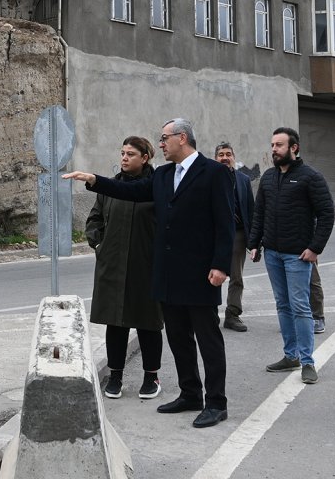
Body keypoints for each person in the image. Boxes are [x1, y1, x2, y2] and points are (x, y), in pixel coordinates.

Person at [64, 118, 234, 429]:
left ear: (182, 138)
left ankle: (217, 402)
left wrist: (221, 265)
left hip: (200, 273)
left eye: (165, 138)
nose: (160, 144)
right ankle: (190, 393)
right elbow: (128, 191)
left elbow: (225, 222)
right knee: (179, 338)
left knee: (208, 339)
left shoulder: (214, 172)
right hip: (167, 274)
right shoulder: (164, 175)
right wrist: (94, 180)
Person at [246, 128, 334, 385]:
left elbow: (327, 214)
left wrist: (315, 248)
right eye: (272, 145)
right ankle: (290, 356)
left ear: (294, 148)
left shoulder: (310, 177)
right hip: (272, 252)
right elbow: (259, 213)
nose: (274, 149)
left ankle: (307, 361)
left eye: (279, 145)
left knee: (300, 306)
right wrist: (254, 243)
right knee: (282, 305)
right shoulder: (269, 177)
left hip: (298, 255)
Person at [84, 136, 164, 401]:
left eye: (131, 154)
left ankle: (151, 376)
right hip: (113, 265)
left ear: (145, 158)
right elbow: (94, 219)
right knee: (115, 323)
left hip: (146, 266)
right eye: (122, 153)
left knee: (148, 323)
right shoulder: (110, 187)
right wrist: (99, 246)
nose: (124, 158)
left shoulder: (157, 186)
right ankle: (115, 376)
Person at [214, 142, 255, 333]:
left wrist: (254, 241)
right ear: (216, 158)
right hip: (213, 234)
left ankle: (233, 314)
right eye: (221, 154)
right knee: (212, 275)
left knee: (236, 277)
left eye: (228, 154)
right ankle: (211, 313)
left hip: (238, 234)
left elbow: (250, 210)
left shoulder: (243, 180)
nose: (224, 157)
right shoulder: (208, 178)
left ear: (233, 157)